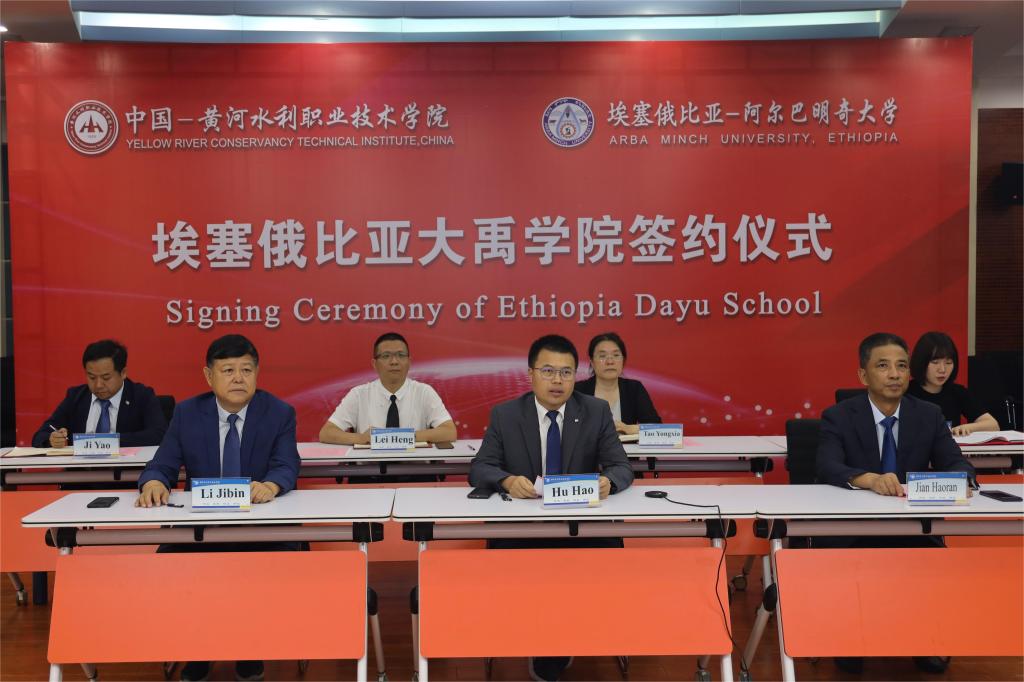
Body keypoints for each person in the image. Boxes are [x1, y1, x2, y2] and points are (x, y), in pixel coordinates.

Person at [468, 334, 634, 682]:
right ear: (530, 374)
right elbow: (480, 467)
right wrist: (507, 481)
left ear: (576, 375)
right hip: (524, 531)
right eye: (548, 371)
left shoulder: (595, 411)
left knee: (596, 568)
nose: (557, 380)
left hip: (581, 528)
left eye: (566, 372)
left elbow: (621, 466)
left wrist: (608, 482)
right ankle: (548, 643)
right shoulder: (506, 414)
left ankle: (564, 637)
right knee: (538, 574)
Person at [137, 334, 300, 682]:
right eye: (228, 370)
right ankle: (198, 648)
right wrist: (153, 482)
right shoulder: (187, 413)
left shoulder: (279, 413)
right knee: (173, 566)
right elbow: (162, 464)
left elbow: (287, 464)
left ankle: (249, 649)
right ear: (208, 376)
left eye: (246, 370)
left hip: (261, 531)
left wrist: (271, 485)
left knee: (261, 570)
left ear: (257, 373)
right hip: (201, 531)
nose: (238, 378)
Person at [815, 332, 974, 676]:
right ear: (863, 375)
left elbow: (956, 462)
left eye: (901, 366)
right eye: (883, 366)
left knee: (930, 563)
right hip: (853, 529)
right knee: (849, 563)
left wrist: (960, 479)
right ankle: (851, 640)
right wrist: (870, 479)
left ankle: (924, 641)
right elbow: (827, 466)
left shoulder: (928, 414)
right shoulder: (838, 416)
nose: (894, 374)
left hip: (912, 527)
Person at [319, 332, 457, 446]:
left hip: (415, 468)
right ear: (374, 364)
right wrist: (361, 438)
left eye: (401, 355)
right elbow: (326, 433)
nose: (394, 362)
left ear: (409, 362)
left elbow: (449, 432)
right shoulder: (359, 394)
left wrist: (403, 437)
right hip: (369, 469)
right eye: (386, 356)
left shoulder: (424, 392)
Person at [31, 339, 167, 448]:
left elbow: (159, 435)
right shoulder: (76, 397)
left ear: (123, 373)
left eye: (106, 377)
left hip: (126, 473)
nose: (98, 385)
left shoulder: (142, 396)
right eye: (92, 377)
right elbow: (40, 435)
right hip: (81, 473)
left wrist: (105, 442)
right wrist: (52, 439)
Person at [907, 331, 1000, 436]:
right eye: (935, 362)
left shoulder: (957, 392)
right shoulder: (906, 393)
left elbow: (993, 425)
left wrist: (966, 427)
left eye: (948, 363)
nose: (942, 369)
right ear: (921, 362)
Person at [575, 332, 661, 434]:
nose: (610, 362)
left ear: (623, 360)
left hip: (626, 445)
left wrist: (630, 429)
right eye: (602, 356)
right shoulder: (578, 391)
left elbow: (657, 429)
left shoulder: (634, 389)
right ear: (592, 362)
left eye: (616, 355)